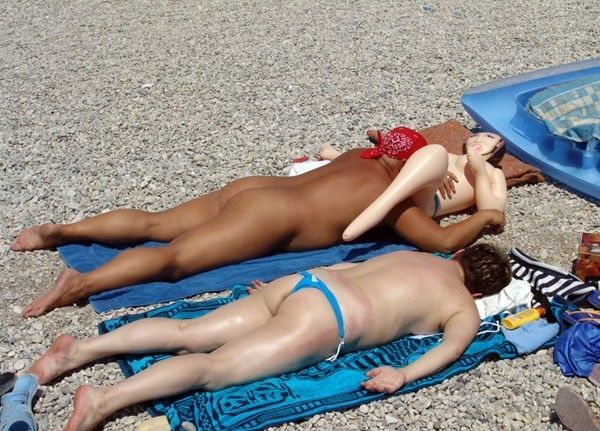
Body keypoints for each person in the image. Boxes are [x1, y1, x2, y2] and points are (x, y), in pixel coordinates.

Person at [11, 127, 505, 318]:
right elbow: (441, 241)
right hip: (269, 217)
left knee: (156, 225)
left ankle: (63, 231)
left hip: (256, 189)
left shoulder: (360, 154)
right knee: (174, 260)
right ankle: (82, 283)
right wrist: (484, 215)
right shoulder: (393, 203)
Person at [27, 243, 512, 431]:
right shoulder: (463, 305)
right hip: (330, 319)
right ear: (479, 289)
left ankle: (78, 351)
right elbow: (450, 349)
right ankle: (103, 401)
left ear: (459, 256)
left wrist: (282, 289)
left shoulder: (416, 255)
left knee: (187, 331)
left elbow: (349, 267)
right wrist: (403, 373)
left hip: (306, 283)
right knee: (215, 369)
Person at [317, 129, 507, 242]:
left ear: (498, 147)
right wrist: (439, 173)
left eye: (489, 136)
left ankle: (372, 210)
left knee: (433, 153)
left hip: (428, 202)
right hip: (413, 184)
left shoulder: (493, 172)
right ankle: (338, 155)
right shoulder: (451, 156)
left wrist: (480, 173)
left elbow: (493, 209)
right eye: (476, 134)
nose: (478, 138)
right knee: (398, 159)